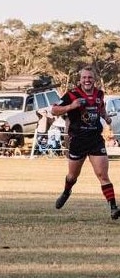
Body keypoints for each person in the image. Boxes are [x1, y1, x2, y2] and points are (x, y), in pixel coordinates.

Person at [52, 66, 120, 220]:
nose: (87, 80)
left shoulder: (99, 94)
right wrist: (71, 106)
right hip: (78, 140)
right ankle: (66, 191)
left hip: (95, 140)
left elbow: (100, 108)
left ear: (94, 79)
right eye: (84, 77)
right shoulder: (71, 94)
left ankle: (113, 207)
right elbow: (54, 110)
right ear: (80, 80)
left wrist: (106, 117)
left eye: (90, 77)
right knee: (72, 176)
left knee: (103, 175)